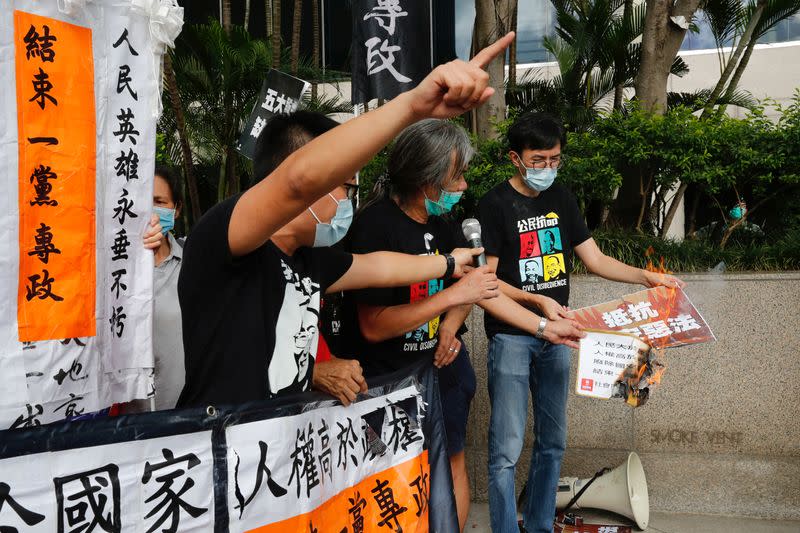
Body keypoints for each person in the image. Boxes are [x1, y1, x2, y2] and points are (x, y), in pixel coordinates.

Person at [176, 32, 518, 409]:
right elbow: (298, 179)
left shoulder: (309, 258)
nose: (349, 203)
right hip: (220, 450)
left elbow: (378, 267)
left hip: (280, 450)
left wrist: (452, 263)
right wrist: (412, 107)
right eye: (344, 187)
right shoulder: (224, 241)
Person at [349, 119, 585, 532]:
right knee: (390, 477)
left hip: (443, 371)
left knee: (452, 463)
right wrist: (452, 298)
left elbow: (484, 290)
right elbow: (373, 327)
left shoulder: (445, 227)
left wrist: (545, 327)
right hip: (388, 380)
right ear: (427, 177)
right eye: (456, 175)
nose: (463, 185)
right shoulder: (375, 226)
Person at [478, 112, 685, 533]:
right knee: (506, 451)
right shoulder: (493, 204)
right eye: (539, 161)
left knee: (553, 444)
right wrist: (535, 300)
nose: (548, 169)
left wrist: (647, 276)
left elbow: (594, 258)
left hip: (563, 337)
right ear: (514, 159)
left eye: (555, 160)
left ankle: (538, 526)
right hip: (512, 337)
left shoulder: (562, 198)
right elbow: (488, 283)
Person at [150, 165, 185, 410]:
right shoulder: (115, 271)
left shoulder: (194, 262)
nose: (149, 212)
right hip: (127, 426)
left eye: (159, 202)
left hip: (186, 418)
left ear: (176, 209)